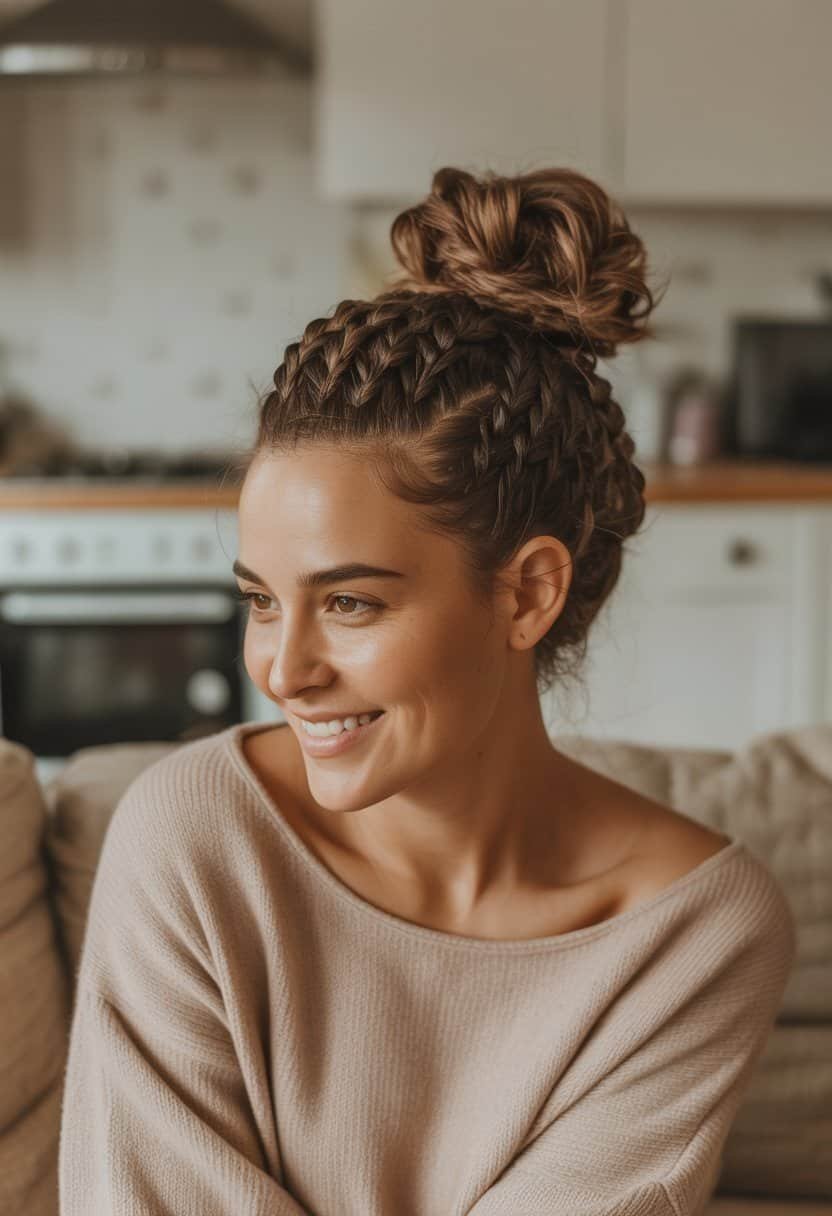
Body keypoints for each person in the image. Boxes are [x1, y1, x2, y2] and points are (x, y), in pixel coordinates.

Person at [59, 166, 796, 1215]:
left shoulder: (691, 934)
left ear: (527, 591)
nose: (283, 668)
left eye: (350, 604)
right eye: (262, 600)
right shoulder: (191, 838)